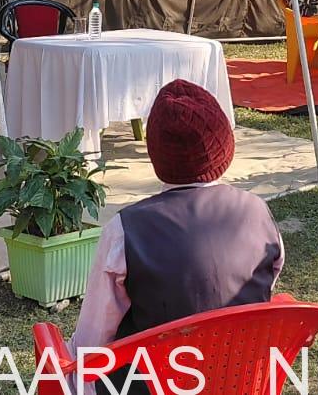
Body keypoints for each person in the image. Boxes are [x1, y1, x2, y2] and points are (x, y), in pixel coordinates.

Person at [69, 79, 283, 392]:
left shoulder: (125, 229)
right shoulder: (259, 212)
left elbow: (92, 341)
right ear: (223, 145)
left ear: (156, 152)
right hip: (240, 379)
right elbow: (264, 288)